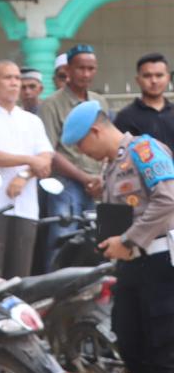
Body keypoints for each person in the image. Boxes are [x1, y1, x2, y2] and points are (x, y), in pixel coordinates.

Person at [61, 100, 174, 373]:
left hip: (158, 262)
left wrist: (128, 240)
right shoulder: (112, 165)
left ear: (95, 131)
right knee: (131, 342)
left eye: (82, 146)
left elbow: (169, 199)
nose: (83, 154)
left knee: (163, 346)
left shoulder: (145, 149)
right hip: (133, 267)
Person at [0, 61, 54, 278]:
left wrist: (24, 175)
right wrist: (29, 160)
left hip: (25, 206)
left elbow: (45, 157)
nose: (15, 83)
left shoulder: (31, 120)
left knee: (20, 274)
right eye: (8, 78)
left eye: (17, 78)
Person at [39, 44, 106, 264]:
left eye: (91, 68)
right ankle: (57, 295)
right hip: (66, 185)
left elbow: (108, 142)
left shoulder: (100, 101)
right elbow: (49, 151)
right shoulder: (51, 104)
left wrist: (101, 178)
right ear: (67, 69)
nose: (86, 74)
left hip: (99, 183)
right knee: (62, 241)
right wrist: (85, 178)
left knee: (101, 242)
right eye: (80, 68)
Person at [114, 53, 174, 149]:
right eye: (147, 76)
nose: (154, 80)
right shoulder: (125, 117)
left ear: (168, 78)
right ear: (138, 80)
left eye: (159, 75)